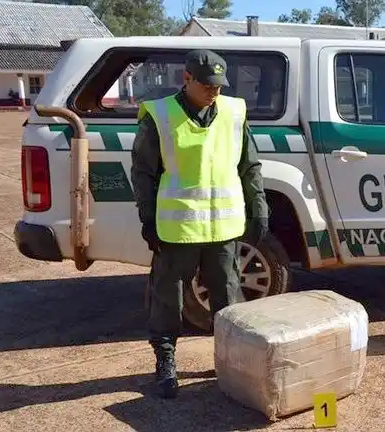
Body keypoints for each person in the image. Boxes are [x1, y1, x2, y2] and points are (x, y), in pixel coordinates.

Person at [131, 49, 269, 399]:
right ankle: (165, 362)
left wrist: (259, 204)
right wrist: (147, 218)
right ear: (187, 79)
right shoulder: (160, 115)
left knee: (228, 298)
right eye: (207, 84)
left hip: (223, 228)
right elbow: (144, 173)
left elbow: (249, 165)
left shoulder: (234, 112)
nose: (214, 91)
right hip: (178, 229)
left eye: (219, 85)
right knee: (168, 299)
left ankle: (231, 363)